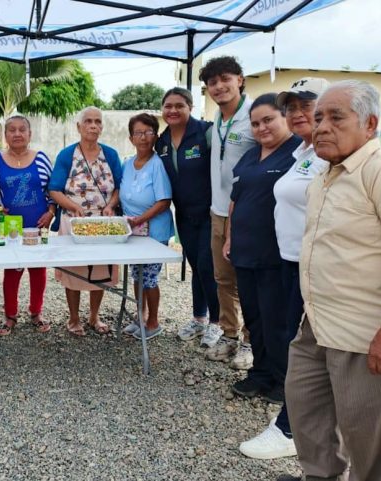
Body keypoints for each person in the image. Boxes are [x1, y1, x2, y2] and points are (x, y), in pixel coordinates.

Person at [279, 81, 381, 481]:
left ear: (370, 123)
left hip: (366, 334)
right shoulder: (326, 175)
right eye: (318, 117)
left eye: (336, 117)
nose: (321, 126)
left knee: (371, 444)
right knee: (307, 415)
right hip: (317, 326)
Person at [239, 78, 329, 461]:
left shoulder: (329, 154)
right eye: (291, 107)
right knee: (286, 333)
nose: (297, 113)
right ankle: (291, 416)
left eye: (304, 106)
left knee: (300, 341)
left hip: (310, 266)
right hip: (289, 259)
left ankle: (292, 425)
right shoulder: (304, 154)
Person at [222, 93, 301, 406]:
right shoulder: (250, 156)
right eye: (255, 123)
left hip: (275, 255)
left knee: (277, 320)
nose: (261, 128)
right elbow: (235, 201)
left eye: (268, 119)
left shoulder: (297, 153)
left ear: (284, 118)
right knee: (254, 318)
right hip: (244, 251)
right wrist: (229, 237)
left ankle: (283, 381)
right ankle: (260, 372)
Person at [199, 56, 255, 369]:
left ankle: (250, 340)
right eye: (212, 82)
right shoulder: (216, 121)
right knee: (223, 279)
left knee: (247, 279)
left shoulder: (255, 116)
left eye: (225, 79)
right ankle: (230, 333)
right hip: (217, 211)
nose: (219, 86)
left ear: (240, 79)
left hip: (247, 214)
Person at [48, 106, 122, 337]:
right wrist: (73, 207)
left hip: (103, 224)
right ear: (78, 126)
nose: (93, 125)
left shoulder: (110, 154)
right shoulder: (67, 154)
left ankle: (94, 316)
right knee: (74, 272)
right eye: (88, 121)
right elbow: (54, 190)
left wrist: (110, 205)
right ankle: (73, 317)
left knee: (100, 271)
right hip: (73, 222)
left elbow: (119, 186)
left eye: (97, 121)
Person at [155, 87, 221, 348]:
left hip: (209, 213)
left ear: (190, 107)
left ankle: (218, 323)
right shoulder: (161, 141)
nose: (172, 110)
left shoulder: (206, 132)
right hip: (183, 214)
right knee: (195, 265)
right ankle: (198, 318)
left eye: (179, 105)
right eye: (168, 106)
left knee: (208, 266)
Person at [0, 115, 54, 336]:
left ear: (30, 134)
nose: (17, 134)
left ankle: (36, 313)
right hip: (11, 228)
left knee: (38, 270)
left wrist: (51, 212)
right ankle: (10, 316)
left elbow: (53, 189)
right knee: (12, 270)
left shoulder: (41, 159)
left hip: (38, 225)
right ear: (6, 134)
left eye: (22, 130)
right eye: (12, 130)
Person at [119, 113, 173, 340]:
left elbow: (164, 201)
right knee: (136, 274)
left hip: (152, 230)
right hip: (132, 231)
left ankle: (153, 321)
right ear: (131, 138)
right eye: (138, 133)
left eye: (148, 132)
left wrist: (140, 219)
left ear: (156, 136)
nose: (143, 138)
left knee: (149, 277)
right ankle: (139, 317)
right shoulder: (127, 164)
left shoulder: (157, 165)